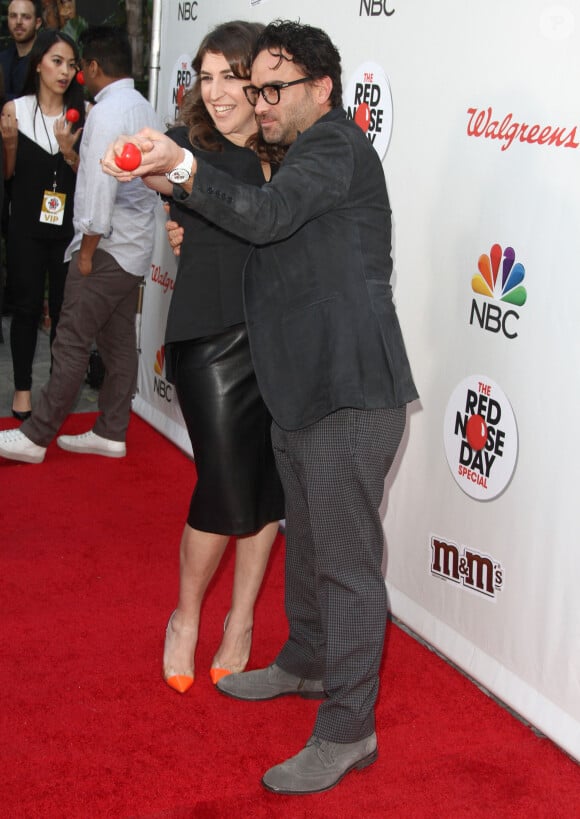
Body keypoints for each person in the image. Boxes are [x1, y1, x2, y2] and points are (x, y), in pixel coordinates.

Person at [102, 19, 418, 796]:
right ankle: (307, 660)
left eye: (275, 88)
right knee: (307, 540)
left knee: (344, 566)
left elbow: (270, 219)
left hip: (348, 391)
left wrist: (182, 165)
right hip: (302, 388)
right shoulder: (294, 158)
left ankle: (349, 729)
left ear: (323, 90)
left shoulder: (335, 149)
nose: (259, 100)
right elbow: (258, 226)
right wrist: (183, 194)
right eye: (257, 86)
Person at [155, 21, 285, 694]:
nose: (215, 93)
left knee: (267, 489)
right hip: (208, 337)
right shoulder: (185, 145)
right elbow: (157, 169)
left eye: (227, 77)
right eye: (204, 79)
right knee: (224, 484)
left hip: (278, 338)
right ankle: (185, 616)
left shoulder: (289, 149)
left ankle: (240, 621)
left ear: (258, 77)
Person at [0, 25, 157, 461]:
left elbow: (99, 192)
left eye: (77, 64)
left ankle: (35, 435)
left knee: (70, 339)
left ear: (92, 67)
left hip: (105, 247)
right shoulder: (143, 106)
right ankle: (110, 430)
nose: (73, 72)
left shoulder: (105, 114)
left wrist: (86, 251)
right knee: (118, 342)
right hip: (134, 247)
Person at [0, 28, 85, 420]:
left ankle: (57, 389)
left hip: (67, 231)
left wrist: (71, 154)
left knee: (66, 312)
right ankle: (21, 389)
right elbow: (8, 175)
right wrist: (12, 144)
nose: (64, 71)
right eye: (57, 61)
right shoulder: (14, 110)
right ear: (38, 64)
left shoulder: (84, 115)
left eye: (71, 64)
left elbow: (92, 181)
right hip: (25, 229)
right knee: (27, 308)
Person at [0, 0, 43, 101]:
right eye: (13, 16)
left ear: (38, 23)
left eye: (26, 17)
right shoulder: (2, 58)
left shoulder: (45, 60)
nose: (18, 22)